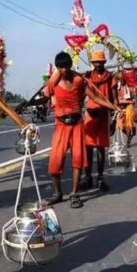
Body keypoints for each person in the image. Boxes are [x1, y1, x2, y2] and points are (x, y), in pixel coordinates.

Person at [44, 51, 121, 208]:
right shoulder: (54, 81)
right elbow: (47, 94)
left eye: (65, 66)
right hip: (61, 125)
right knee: (55, 162)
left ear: (70, 65)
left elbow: (95, 97)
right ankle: (57, 193)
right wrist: (54, 75)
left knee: (78, 160)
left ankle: (74, 193)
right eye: (60, 67)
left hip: (77, 124)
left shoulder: (79, 80)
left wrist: (114, 107)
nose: (63, 70)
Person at [82, 50, 115, 191]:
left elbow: (113, 98)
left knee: (101, 148)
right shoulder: (87, 76)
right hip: (90, 113)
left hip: (104, 114)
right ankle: (88, 177)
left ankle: (100, 178)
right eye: (95, 62)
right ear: (92, 63)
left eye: (100, 62)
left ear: (104, 62)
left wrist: (114, 115)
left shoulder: (110, 77)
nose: (98, 64)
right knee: (88, 147)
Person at [114, 67, 137, 147]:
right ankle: (130, 132)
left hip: (128, 105)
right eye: (119, 79)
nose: (121, 81)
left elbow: (136, 88)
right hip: (119, 107)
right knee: (120, 125)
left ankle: (128, 138)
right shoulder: (115, 87)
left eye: (122, 79)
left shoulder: (129, 86)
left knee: (128, 122)